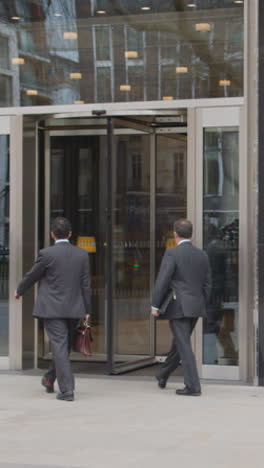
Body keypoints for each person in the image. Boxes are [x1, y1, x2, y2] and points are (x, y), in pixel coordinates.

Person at [15, 217, 91, 402]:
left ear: (52, 234)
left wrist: (19, 290)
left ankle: (67, 390)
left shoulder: (46, 254)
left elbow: (32, 275)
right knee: (62, 348)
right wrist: (87, 309)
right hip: (74, 308)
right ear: (70, 234)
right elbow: (85, 285)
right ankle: (49, 379)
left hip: (52, 308)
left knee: (59, 347)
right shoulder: (82, 254)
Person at [151, 219, 211, 396]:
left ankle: (193, 386)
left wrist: (155, 305)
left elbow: (162, 281)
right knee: (179, 342)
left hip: (179, 307)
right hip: (195, 307)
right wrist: (202, 303)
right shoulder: (202, 255)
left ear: (175, 234)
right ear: (191, 234)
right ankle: (163, 374)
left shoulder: (172, 254)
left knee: (183, 345)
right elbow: (208, 284)